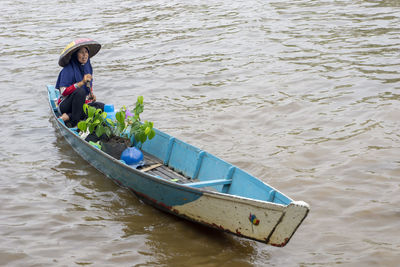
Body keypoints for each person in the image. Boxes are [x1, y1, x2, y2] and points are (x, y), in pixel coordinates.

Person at [55, 39, 104, 127]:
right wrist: (81, 83)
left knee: (101, 106)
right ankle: (74, 122)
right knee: (80, 92)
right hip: (66, 105)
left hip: (79, 105)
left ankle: (69, 117)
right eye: (81, 52)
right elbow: (63, 92)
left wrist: (91, 95)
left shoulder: (87, 67)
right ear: (75, 55)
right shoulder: (67, 70)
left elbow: (89, 86)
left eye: (86, 52)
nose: (84, 55)